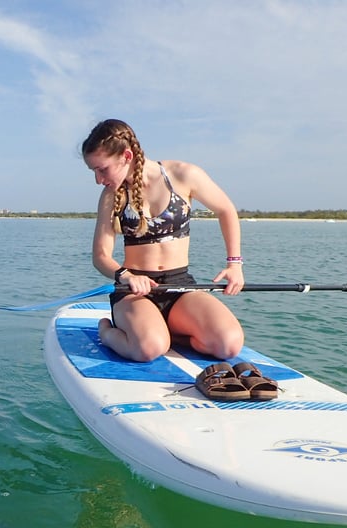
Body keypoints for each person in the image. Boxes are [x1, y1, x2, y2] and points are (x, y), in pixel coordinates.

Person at [81, 118, 245, 363]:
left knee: (228, 345)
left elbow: (226, 210)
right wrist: (127, 276)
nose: (98, 179)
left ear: (126, 155)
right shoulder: (110, 196)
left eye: (102, 169)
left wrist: (235, 265)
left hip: (180, 286)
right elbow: (101, 256)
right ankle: (107, 332)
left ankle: (166, 331)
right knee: (148, 349)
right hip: (133, 292)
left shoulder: (183, 174)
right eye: (93, 171)